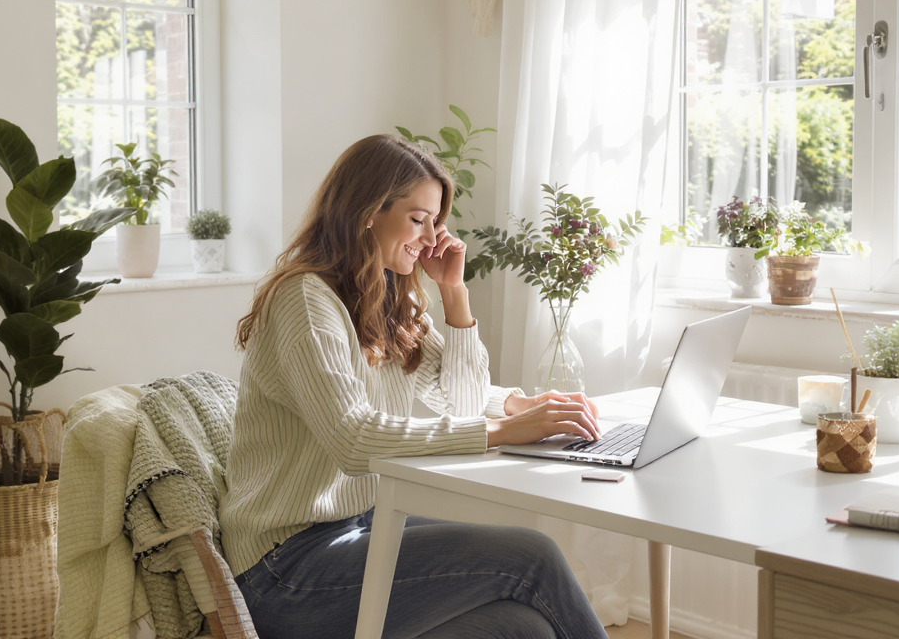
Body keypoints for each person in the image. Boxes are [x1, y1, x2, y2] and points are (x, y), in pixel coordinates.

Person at [220, 134, 610, 638]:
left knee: (523, 626)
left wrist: (454, 294)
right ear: (367, 211)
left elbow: (462, 400)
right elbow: (355, 441)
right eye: (417, 218)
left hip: (358, 528)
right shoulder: (305, 301)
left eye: (435, 222)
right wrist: (506, 429)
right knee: (533, 556)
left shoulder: (382, 297)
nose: (430, 238)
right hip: (284, 570)